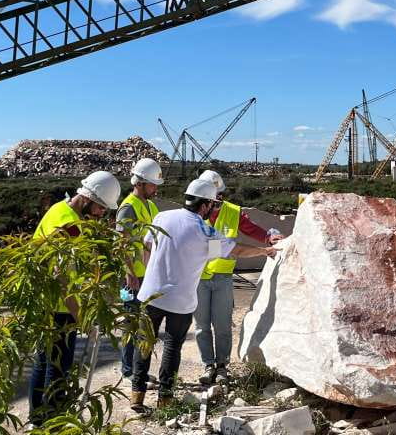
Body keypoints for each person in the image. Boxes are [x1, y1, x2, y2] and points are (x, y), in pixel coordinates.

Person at [130, 178, 249, 413]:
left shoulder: (162, 217)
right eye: (212, 206)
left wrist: (146, 276)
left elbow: (147, 245)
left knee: (143, 345)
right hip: (180, 302)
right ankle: (164, 399)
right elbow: (233, 251)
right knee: (172, 349)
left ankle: (136, 396)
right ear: (204, 205)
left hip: (150, 295)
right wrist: (266, 250)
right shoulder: (204, 231)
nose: (213, 210)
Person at [28, 170, 121, 424]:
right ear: (89, 198)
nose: (102, 213)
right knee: (58, 368)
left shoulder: (62, 209)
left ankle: (38, 420)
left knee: (45, 361)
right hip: (57, 306)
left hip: (45, 301)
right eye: (101, 207)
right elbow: (62, 277)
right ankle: (53, 423)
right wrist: (81, 317)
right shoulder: (68, 223)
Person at [194, 169, 284, 385]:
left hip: (223, 278)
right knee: (201, 326)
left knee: (223, 325)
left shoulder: (233, 212)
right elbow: (211, 247)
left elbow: (251, 229)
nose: (217, 200)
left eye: (219, 195)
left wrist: (269, 237)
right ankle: (208, 364)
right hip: (198, 278)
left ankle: (222, 365)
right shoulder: (193, 213)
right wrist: (227, 248)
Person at [116, 158, 164, 381]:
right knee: (131, 323)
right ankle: (129, 370)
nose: (155, 188)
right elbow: (122, 243)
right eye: (152, 184)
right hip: (132, 277)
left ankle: (138, 369)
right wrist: (129, 274)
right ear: (140, 183)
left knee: (144, 324)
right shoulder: (128, 207)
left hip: (148, 273)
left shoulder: (151, 205)